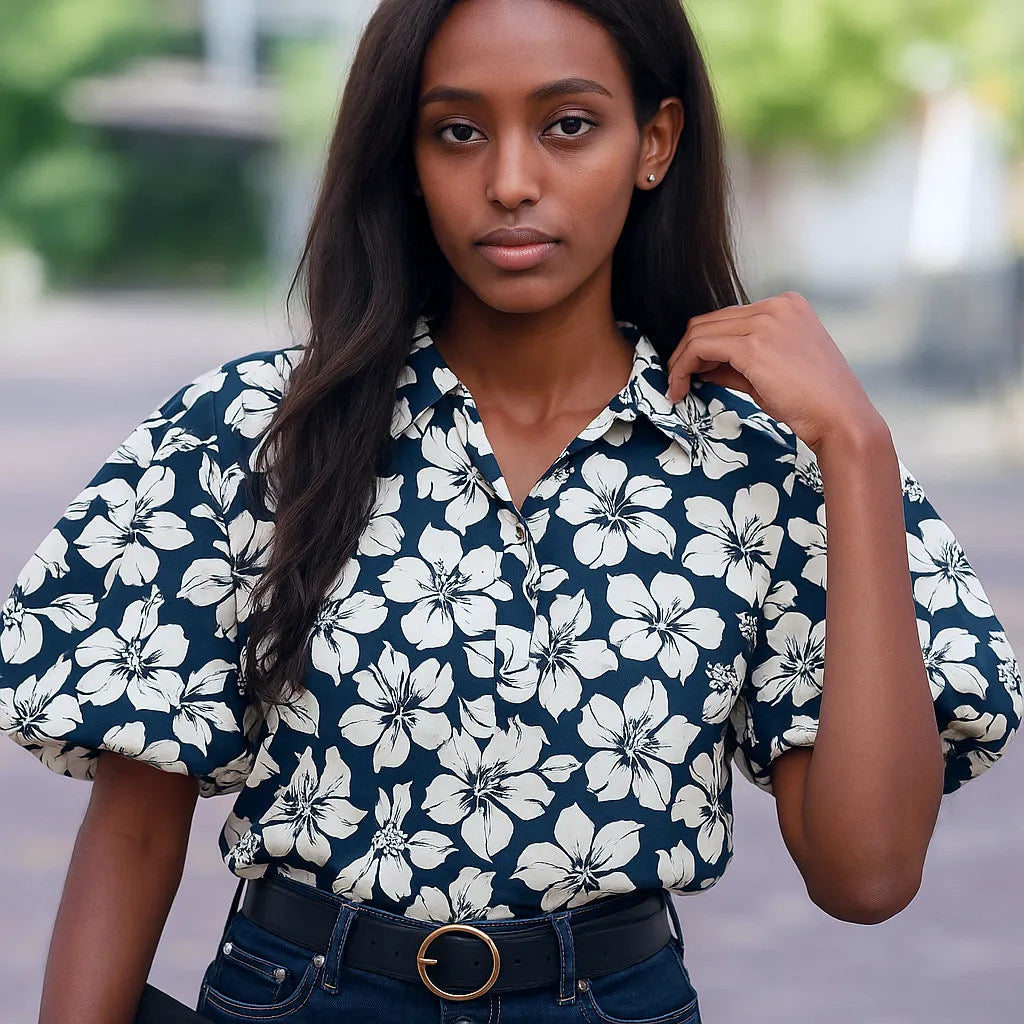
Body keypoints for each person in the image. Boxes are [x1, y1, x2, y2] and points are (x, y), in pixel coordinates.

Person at [2, 0, 1020, 1022]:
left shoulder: (760, 467)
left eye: (567, 124)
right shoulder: (262, 430)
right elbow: (133, 832)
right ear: (407, 158)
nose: (509, 182)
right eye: (457, 131)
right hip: (297, 995)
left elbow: (868, 878)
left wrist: (856, 449)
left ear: (654, 143)